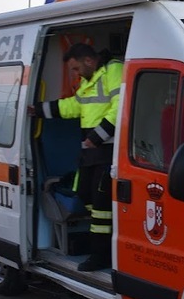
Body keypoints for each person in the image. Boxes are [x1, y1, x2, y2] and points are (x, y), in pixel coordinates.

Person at [29, 43, 123, 271]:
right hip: (91, 154)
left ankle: (101, 257)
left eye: (76, 68)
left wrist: (97, 136)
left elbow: (120, 106)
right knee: (85, 196)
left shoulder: (113, 71)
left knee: (101, 207)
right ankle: (103, 249)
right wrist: (39, 110)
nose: (75, 74)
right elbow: (73, 106)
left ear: (89, 61)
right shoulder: (89, 81)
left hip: (107, 152)